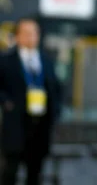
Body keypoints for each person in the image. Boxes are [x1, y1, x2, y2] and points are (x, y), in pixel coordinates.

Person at [0, 18, 62, 185]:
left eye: (34, 33)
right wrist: (7, 103)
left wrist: (55, 112)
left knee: (35, 172)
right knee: (10, 171)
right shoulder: (6, 60)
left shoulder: (46, 60)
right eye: (26, 33)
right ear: (17, 36)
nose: (31, 37)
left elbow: (56, 87)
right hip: (16, 125)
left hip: (40, 126)